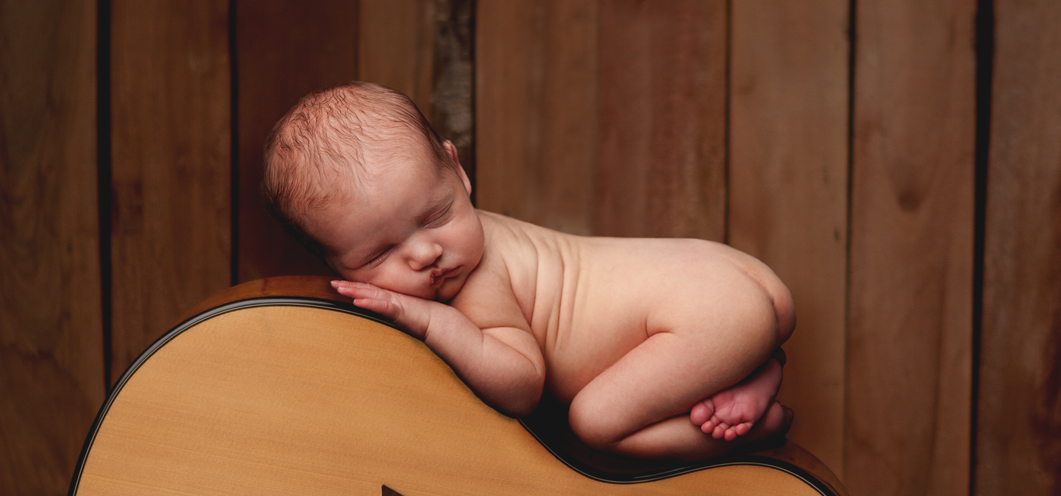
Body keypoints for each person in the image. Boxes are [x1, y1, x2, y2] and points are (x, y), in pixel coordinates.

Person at [262, 82, 793, 459]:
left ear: (458, 170)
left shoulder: (476, 281)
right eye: (379, 256)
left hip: (706, 313)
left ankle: (758, 425)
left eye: (435, 217)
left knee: (595, 423)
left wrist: (431, 322)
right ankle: (754, 366)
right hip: (726, 279)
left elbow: (523, 385)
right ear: (333, 265)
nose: (425, 255)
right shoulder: (466, 236)